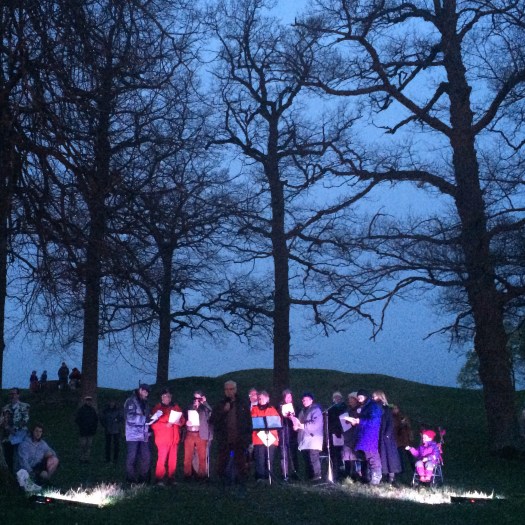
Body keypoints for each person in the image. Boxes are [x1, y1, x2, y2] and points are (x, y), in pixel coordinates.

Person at [210, 380, 252, 484]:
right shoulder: (220, 404)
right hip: (225, 438)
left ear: (235, 390)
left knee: (240, 461)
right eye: (227, 389)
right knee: (223, 461)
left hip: (240, 438)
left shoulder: (242, 403)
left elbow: (248, 422)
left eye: (231, 389)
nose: (229, 392)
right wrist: (223, 411)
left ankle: (241, 482)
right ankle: (222, 482)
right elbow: (213, 420)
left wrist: (247, 438)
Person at [346, 389, 383, 485]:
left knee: (372, 456)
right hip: (364, 434)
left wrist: (360, 421)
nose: (359, 399)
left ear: (366, 396)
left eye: (361, 397)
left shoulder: (373, 406)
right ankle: (370, 477)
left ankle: (376, 478)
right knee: (367, 456)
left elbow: (374, 421)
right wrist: (356, 422)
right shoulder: (365, 406)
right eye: (358, 398)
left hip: (370, 435)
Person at [150, 389, 185, 485]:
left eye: (169, 396)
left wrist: (180, 422)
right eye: (166, 396)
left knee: (173, 460)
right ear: (162, 397)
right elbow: (153, 424)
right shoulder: (157, 408)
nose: (168, 398)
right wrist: (165, 425)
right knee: (162, 459)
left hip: (174, 439)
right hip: (163, 439)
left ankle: (171, 478)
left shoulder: (176, 407)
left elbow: (182, 419)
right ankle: (159, 478)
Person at [292, 392, 324, 483]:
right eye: (303, 400)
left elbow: (315, 424)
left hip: (314, 438)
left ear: (311, 400)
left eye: (306, 400)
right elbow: (299, 423)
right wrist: (296, 427)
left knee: (313, 458)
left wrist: (302, 426)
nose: (304, 402)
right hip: (304, 438)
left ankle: (317, 476)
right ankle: (309, 477)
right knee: (306, 459)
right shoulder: (302, 411)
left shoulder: (316, 410)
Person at [372, 390, 402, 484]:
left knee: (389, 456)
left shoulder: (387, 409)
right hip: (378, 435)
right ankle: (382, 475)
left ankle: (391, 477)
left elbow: (390, 422)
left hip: (386, 437)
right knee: (381, 456)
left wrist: (387, 435)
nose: (373, 398)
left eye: (374, 396)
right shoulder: (374, 408)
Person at [124, 383, 152, 483]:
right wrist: (145, 419)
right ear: (140, 390)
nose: (147, 393)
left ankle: (143, 479)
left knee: (146, 457)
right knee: (132, 458)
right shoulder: (131, 401)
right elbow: (130, 418)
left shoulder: (146, 402)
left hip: (144, 435)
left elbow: (147, 416)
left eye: (148, 392)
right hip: (133, 435)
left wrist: (151, 420)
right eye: (145, 391)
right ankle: (130, 479)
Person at [251, 390, 280, 482]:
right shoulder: (255, 409)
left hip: (270, 438)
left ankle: (269, 477)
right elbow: (254, 420)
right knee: (260, 459)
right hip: (259, 438)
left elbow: (276, 422)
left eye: (262, 398)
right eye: (259, 399)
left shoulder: (272, 409)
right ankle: (260, 477)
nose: (260, 400)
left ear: (267, 399)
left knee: (269, 458)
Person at [183, 390, 213, 480]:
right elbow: (183, 418)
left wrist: (205, 403)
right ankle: (187, 475)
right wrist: (186, 422)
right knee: (188, 456)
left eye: (198, 398)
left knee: (202, 456)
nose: (196, 400)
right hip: (190, 433)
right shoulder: (189, 407)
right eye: (195, 398)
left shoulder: (204, 408)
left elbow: (211, 414)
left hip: (201, 433)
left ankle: (202, 475)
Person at [2, 387, 30, 473]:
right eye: (10, 394)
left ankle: (22, 473)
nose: (12, 396)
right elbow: (3, 420)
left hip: (20, 433)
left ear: (18, 395)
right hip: (8, 434)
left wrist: (15, 428)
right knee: (7, 454)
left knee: (20, 455)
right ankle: (10, 473)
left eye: (14, 394)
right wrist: (7, 428)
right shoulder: (5, 408)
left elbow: (25, 419)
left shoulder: (25, 406)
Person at [279, 389, 300, 481]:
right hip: (283, 432)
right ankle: (285, 473)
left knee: (293, 453)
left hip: (292, 432)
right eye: (287, 397)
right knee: (284, 453)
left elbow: (298, 418)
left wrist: (293, 418)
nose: (289, 398)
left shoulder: (295, 407)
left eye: (290, 396)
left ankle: (295, 472)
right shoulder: (280, 406)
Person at [326, 391, 346, 480]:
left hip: (343, 433)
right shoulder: (331, 409)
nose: (336, 399)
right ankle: (335, 472)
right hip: (333, 434)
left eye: (338, 397)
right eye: (335, 398)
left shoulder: (344, 408)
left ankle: (343, 473)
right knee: (334, 454)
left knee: (342, 454)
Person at [342, 392, 361, 480]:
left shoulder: (360, 410)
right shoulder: (347, 410)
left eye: (351, 399)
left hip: (356, 435)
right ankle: (347, 475)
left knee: (356, 456)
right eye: (349, 400)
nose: (350, 401)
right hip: (347, 435)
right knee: (347, 456)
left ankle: (356, 475)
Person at [75, 395, 98, 463]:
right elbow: (77, 420)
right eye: (87, 401)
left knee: (89, 445)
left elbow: (96, 420)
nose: (88, 402)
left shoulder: (92, 410)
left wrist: (94, 428)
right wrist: (81, 426)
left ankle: (87, 458)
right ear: (85, 401)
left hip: (91, 431)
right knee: (82, 445)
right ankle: (81, 458)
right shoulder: (81, 410)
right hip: (83, 431)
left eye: (90, 401)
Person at [100, 399, 124, 464]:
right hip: (108, 430)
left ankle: (115, 459)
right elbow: (102, 419)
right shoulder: (106, 411)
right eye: (110, 402)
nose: (111, 403)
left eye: (113, 402)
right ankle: (107, 459)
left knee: (116, 445)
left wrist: (117, 421)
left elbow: (121, 418)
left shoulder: (117, 410)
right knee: (108, 445)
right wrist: (105, 425)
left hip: (116, 430)